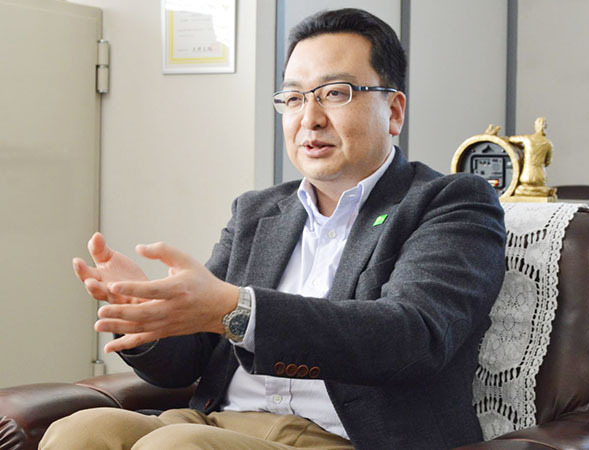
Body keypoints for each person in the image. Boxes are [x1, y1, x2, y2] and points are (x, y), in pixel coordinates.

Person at [40, 8, 506, 450]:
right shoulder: (258, 212)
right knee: (81, 431)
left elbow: (412, 336)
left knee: (175, 445)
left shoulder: (448, 202)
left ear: (394, 111)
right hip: (219, 423)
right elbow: (190, 360)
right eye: (294, 98)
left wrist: (239, 310)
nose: (310, 118)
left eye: (335, 93)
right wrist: (151, 320)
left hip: (349, 437)